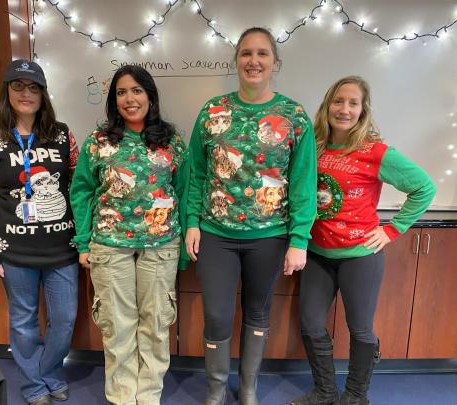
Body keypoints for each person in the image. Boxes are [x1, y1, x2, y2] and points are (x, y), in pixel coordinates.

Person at [185, 27, 317, 405]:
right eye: (246, 53)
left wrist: (298, 239)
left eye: (262, 54)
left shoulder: (293, 116)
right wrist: (192, 221)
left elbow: (303, 181)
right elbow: (196, 172)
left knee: (258, 313)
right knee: (217, 315)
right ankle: (215, 389)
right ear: (236, 61)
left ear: (275, 62)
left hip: (270, 236)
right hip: (216, 234)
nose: (253, 61)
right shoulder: (212, 111)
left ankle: (248, 388)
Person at [290, 76, 436, 405]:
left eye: (352, 103)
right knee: (311, 324)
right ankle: (325, 391)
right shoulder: (313, 146)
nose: (344, 109)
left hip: (360, 255)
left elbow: (424, 187)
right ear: (327, 105)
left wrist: (392, 229)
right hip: (316, 253)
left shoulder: (375, 151)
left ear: (362, 110)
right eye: (338, 101)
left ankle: (356, 396)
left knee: (360, 328)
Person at [70, 65, 189, 405]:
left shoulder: (171, 141)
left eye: (137, 91)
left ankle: (148, 397)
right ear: (114, 100)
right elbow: (82, 192)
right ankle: (122, 398)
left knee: (155, 326)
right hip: (110, 246)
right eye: (121, 92)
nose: (129, 98)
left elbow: (183, 190)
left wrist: (180, 251)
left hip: (160, 245)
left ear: (150, 97)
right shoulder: (99, 142)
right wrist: (83, 243)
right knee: (117, 327)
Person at [0, 59, 80, 405]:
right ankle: (33, 385)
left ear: (43, 94)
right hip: (13, 250)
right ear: (6, 92)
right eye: (18, 86)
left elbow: (80, 190)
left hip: (62, 248)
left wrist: (86, 239)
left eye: (34, 87)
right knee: (23, 321)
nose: (26, 94)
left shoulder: (63, 135)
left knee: (64, 318)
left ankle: (50, 373)